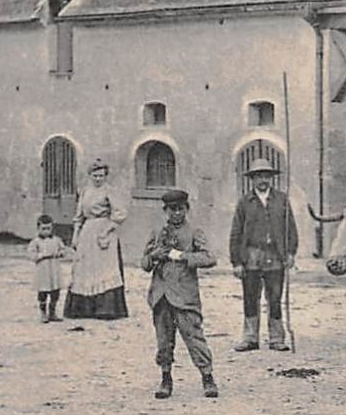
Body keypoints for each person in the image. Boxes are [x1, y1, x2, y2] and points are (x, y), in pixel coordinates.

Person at [143, 189, 218, 399]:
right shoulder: (157, 232)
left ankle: (207, 377)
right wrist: (153, 256)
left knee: (194, 336)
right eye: (171, 210)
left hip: (185, 296)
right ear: (165, 211)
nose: (176, 214)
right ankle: (166, 379)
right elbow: (144, 263)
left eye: (180, 209)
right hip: (161, 295)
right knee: (163, 340)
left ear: (187, 209)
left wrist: (184, 256)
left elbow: (210, 258)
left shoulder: (194, 231)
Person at [228, 158, 298, 352]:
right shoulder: (244, 202)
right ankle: (250, 338)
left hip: (275, 256)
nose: (263, 180)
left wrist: (291, 252)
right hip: (251, 256)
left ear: (271, 178)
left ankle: (277, 338)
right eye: (259, 176)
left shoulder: (282, 200)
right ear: (252, 179)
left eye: (266, 176)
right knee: (250, 297)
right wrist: (236, 262)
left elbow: (291, 228)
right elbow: (235, 233)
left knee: (275, 298)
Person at [64, 157, 130, 320]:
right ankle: (83, 308)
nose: (98, 179)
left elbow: (120, 213)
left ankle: (105, 308)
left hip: (104, 233)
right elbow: (78, 216)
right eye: (95, 176)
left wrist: (107, 230)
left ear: (105, 176)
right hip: (87, 232)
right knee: (85, 269)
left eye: (101, 176)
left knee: (104, 268)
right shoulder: (86, 191)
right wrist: (75, 237)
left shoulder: (109, 191)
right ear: (90, 175)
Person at [27, 215, 73, 323]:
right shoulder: (36, 242)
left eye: (48, 228)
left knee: (55, 291)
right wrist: (41, 255)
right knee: (43, 292)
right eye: (43, 229)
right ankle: (43, 313)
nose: (46, 231)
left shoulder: (56, 240)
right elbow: (31, 254)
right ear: (38, 228)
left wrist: (60, 253)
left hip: (54, 270)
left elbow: (64, 250)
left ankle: (52, 313)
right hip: (43, 271)